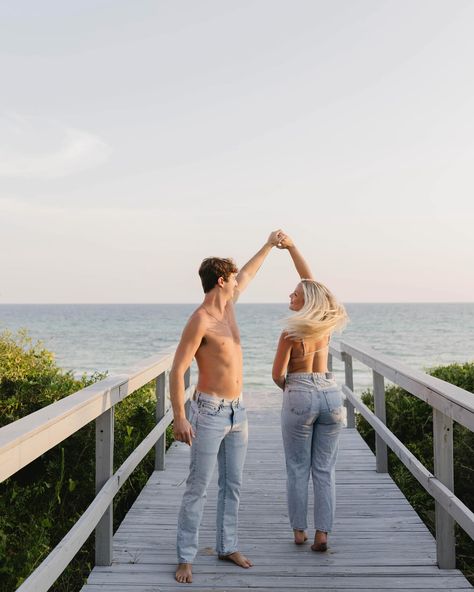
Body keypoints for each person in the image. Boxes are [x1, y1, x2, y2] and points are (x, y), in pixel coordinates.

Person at [170, 230, 284, 584]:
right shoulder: (200, 320)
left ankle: (227, 545)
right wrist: (179, 417)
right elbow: (177, 370)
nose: (238, 282)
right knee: (198, 486)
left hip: (239, 411)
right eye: (232, 278)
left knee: (232, 484)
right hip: (208, 412)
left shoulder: (230, 307)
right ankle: (186, 557)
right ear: (221, 281)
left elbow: (248, 272)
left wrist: (268, 245)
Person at [272, 235, 348, 552]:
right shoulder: (325, 324)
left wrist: (293, 391)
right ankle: (323, 535)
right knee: (324, 469)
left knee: (297, 468)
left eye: (296, 293)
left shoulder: (291, 331)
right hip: (331, 393)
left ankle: (299, 532)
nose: (291, 294)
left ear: (307, 301)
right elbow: (311, 282)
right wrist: (291, 248)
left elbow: (277, 375)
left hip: (300, 391)